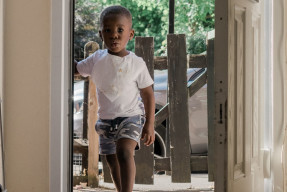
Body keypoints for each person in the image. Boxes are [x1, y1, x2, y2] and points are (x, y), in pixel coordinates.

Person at [74, 5, 155, 192]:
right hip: (105, 120)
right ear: (101, 34)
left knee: (124, 153)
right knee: (110, 158)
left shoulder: (136, 63)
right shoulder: (96, 59)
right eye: (108, 30)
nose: (114, 35)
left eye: (120, 30)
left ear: (131, 34)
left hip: (131, 117)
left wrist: (149, 124)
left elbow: (148, 93)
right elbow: (77, 68)